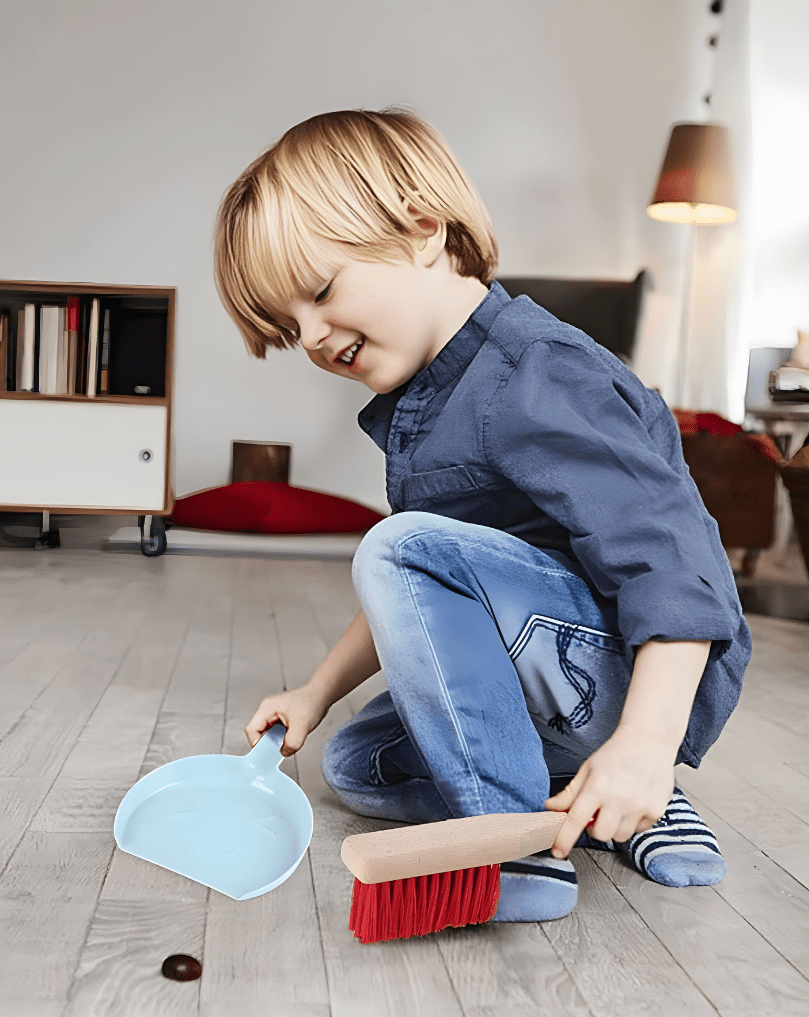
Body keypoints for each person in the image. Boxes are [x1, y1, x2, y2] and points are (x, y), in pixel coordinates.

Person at [214, 108, 750, 922]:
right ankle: (591, 800)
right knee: (360, 765)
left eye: (322, 293)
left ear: (423, 228)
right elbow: (425, 582)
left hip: (636, 672)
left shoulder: (538, 373)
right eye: (293, 328)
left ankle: (524, 835)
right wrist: (318, 692)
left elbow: (674, 565)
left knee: (399, 547)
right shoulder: (428, 399)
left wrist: (645, 741)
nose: (315, 337)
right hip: (553, 673)